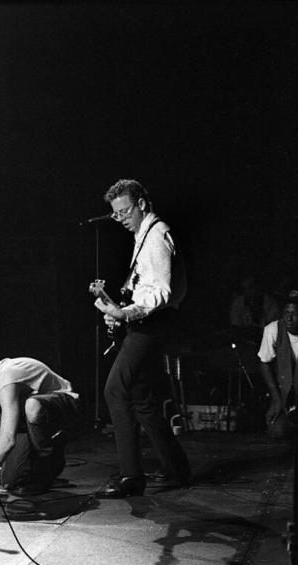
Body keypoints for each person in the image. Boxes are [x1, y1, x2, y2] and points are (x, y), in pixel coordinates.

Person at [92, 179, 190, 498]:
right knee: (141, 398)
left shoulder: (157, 234)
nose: (120, 219)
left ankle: (131, 476)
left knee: (115, 388)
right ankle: (176, 468)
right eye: (116, 214)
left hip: (153, 324)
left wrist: (127, 314)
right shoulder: (142, 235)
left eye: (124, 211)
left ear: (142, 204)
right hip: (147, 322)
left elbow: (161, 291)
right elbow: (145, 286)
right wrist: (118, 308)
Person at [0, 357, 83, 495]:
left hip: (65, 405)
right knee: (10, 481)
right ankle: (38, 466)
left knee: (32, 405)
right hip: (28, 422)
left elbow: (7, 440)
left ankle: (48, 461)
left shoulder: (5, 379)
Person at [258, 289, 298, 439]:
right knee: (277, 432)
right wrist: (276, 398)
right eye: (286, 313)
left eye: (295, 314)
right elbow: (264, 362)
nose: (289, 319)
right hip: (286, 397)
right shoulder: (272, 329)